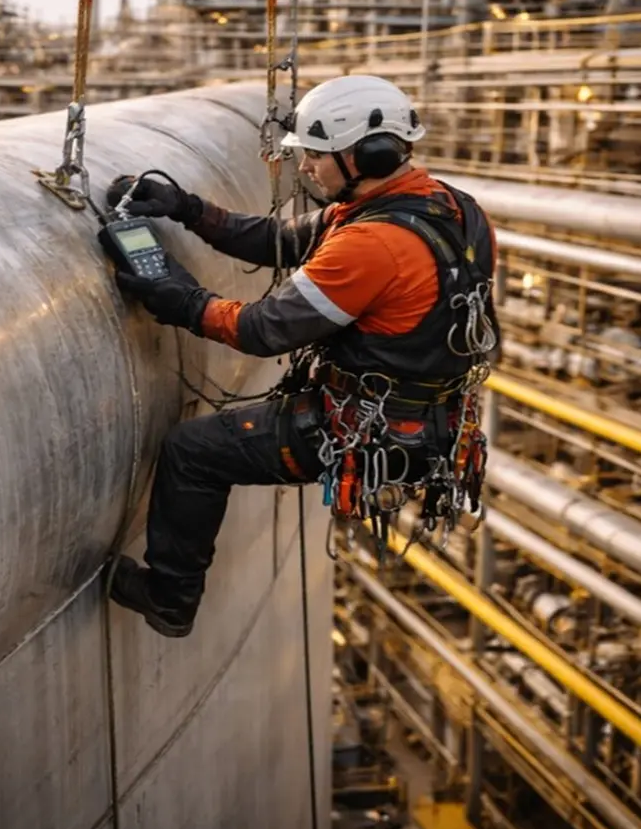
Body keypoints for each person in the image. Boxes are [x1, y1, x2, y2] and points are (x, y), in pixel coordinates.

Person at [103, 76, 497, 638]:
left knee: (195, 452)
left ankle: (170, 597)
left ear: (366, 154)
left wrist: (184, 302)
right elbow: (277, 241)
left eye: (315, 156)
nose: (306, 168)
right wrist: (187, 209)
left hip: (374, 430)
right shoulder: (450, 209)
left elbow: (264, 330)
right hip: (430, 423)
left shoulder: (372, 243)